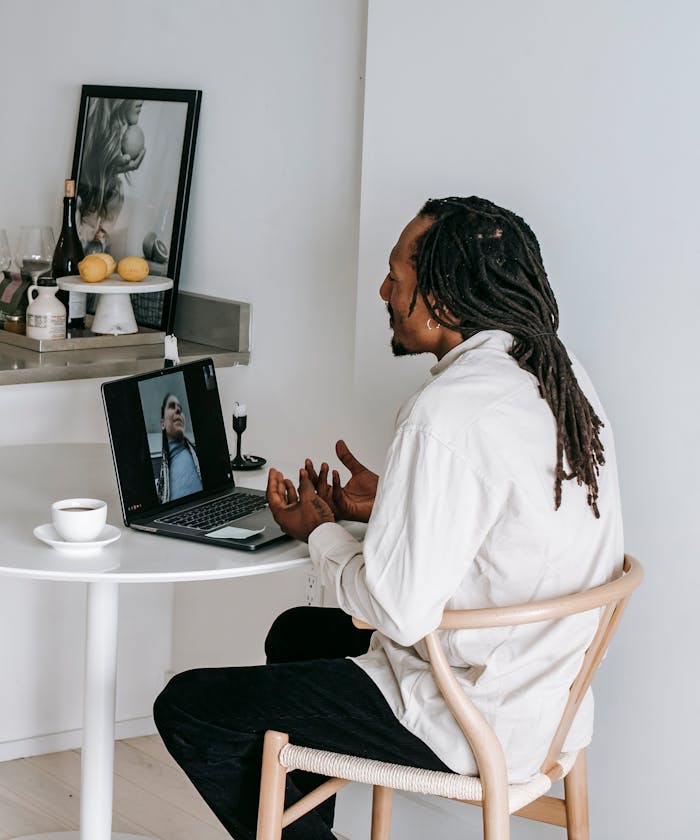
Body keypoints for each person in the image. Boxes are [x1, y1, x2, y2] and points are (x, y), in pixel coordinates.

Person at [154, 196, 623, 840]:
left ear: (444, 300)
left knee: (191, 707)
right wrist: (395, 506)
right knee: (295, 636)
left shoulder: (446, 411)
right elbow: (502, 531)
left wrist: (320, 531)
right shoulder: (555, 376)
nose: (383, 289)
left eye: (396, 278)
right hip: (546, 697)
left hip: (468, 718)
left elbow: (396, 611)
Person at [76, 98, 146, 255]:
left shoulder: (114, 191)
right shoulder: (76, 188)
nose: (142, 100)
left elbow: (96, 246)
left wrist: (108, 171)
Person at [157, 392, 202, 503]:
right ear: (163, 424)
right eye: (172, 406)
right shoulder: (161, 485)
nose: (178, 410)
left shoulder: (201, 456)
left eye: (180, 408)